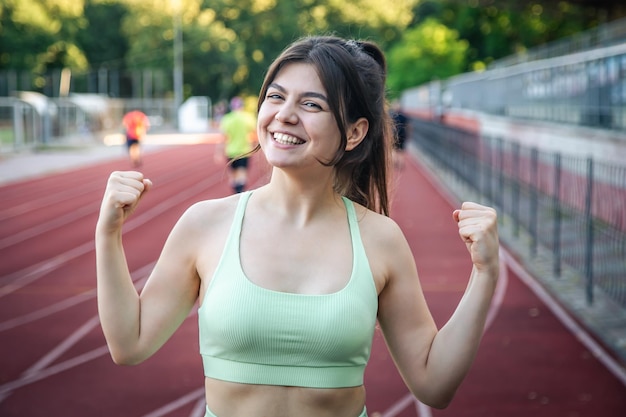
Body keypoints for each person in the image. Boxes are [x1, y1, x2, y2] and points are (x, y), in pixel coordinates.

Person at [96, 36, 499, 417]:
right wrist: (107, 234)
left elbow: (434, 384)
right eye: (275, 96)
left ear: (355, 132)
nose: (284, 115)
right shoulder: (205, 223)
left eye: (311, 105)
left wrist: (485, 274)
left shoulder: (379, 239)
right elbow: (129, 344)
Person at [216, 96, 257, 193]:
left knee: (233, 176)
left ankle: (235, 194)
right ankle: (240, 193)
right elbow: (254, 135)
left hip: (231, 151)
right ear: (242, 106)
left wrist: (218, 152)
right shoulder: (248, 118)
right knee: (242, 174)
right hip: (244, 151)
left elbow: (223, 138)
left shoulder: (227, 119)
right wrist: (254, 147)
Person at [390, 101, 410, 169]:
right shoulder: (404, 117)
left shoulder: (392, 117)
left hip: (394, 134)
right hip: (403, 134)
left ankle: (394, 162)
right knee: (401, 150)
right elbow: (408, 126)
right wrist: (408, 135)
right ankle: (401, 163)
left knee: (394, 149)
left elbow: (389, 126)